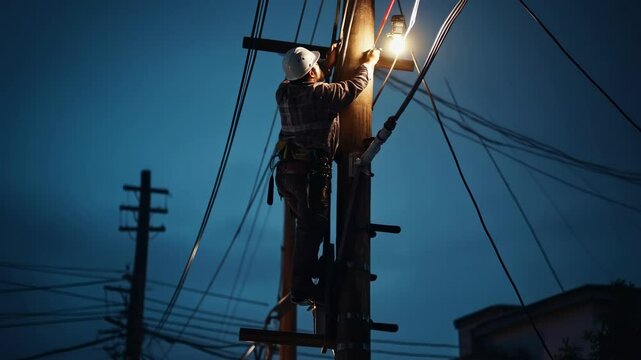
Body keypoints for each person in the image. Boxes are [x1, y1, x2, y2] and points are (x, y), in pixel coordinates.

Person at [274, 44, 380, 304]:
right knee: (313, 227)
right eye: (316, 68)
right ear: (311, 74)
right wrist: (369, 63)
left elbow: (308, 82)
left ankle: (313, 271)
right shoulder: (322, 95)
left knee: (309, 227)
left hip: (286, 174)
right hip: (308, 177)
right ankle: (301, 286)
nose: (320, 70)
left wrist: (329, 65)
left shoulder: (283, 92)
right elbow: (355, 85)